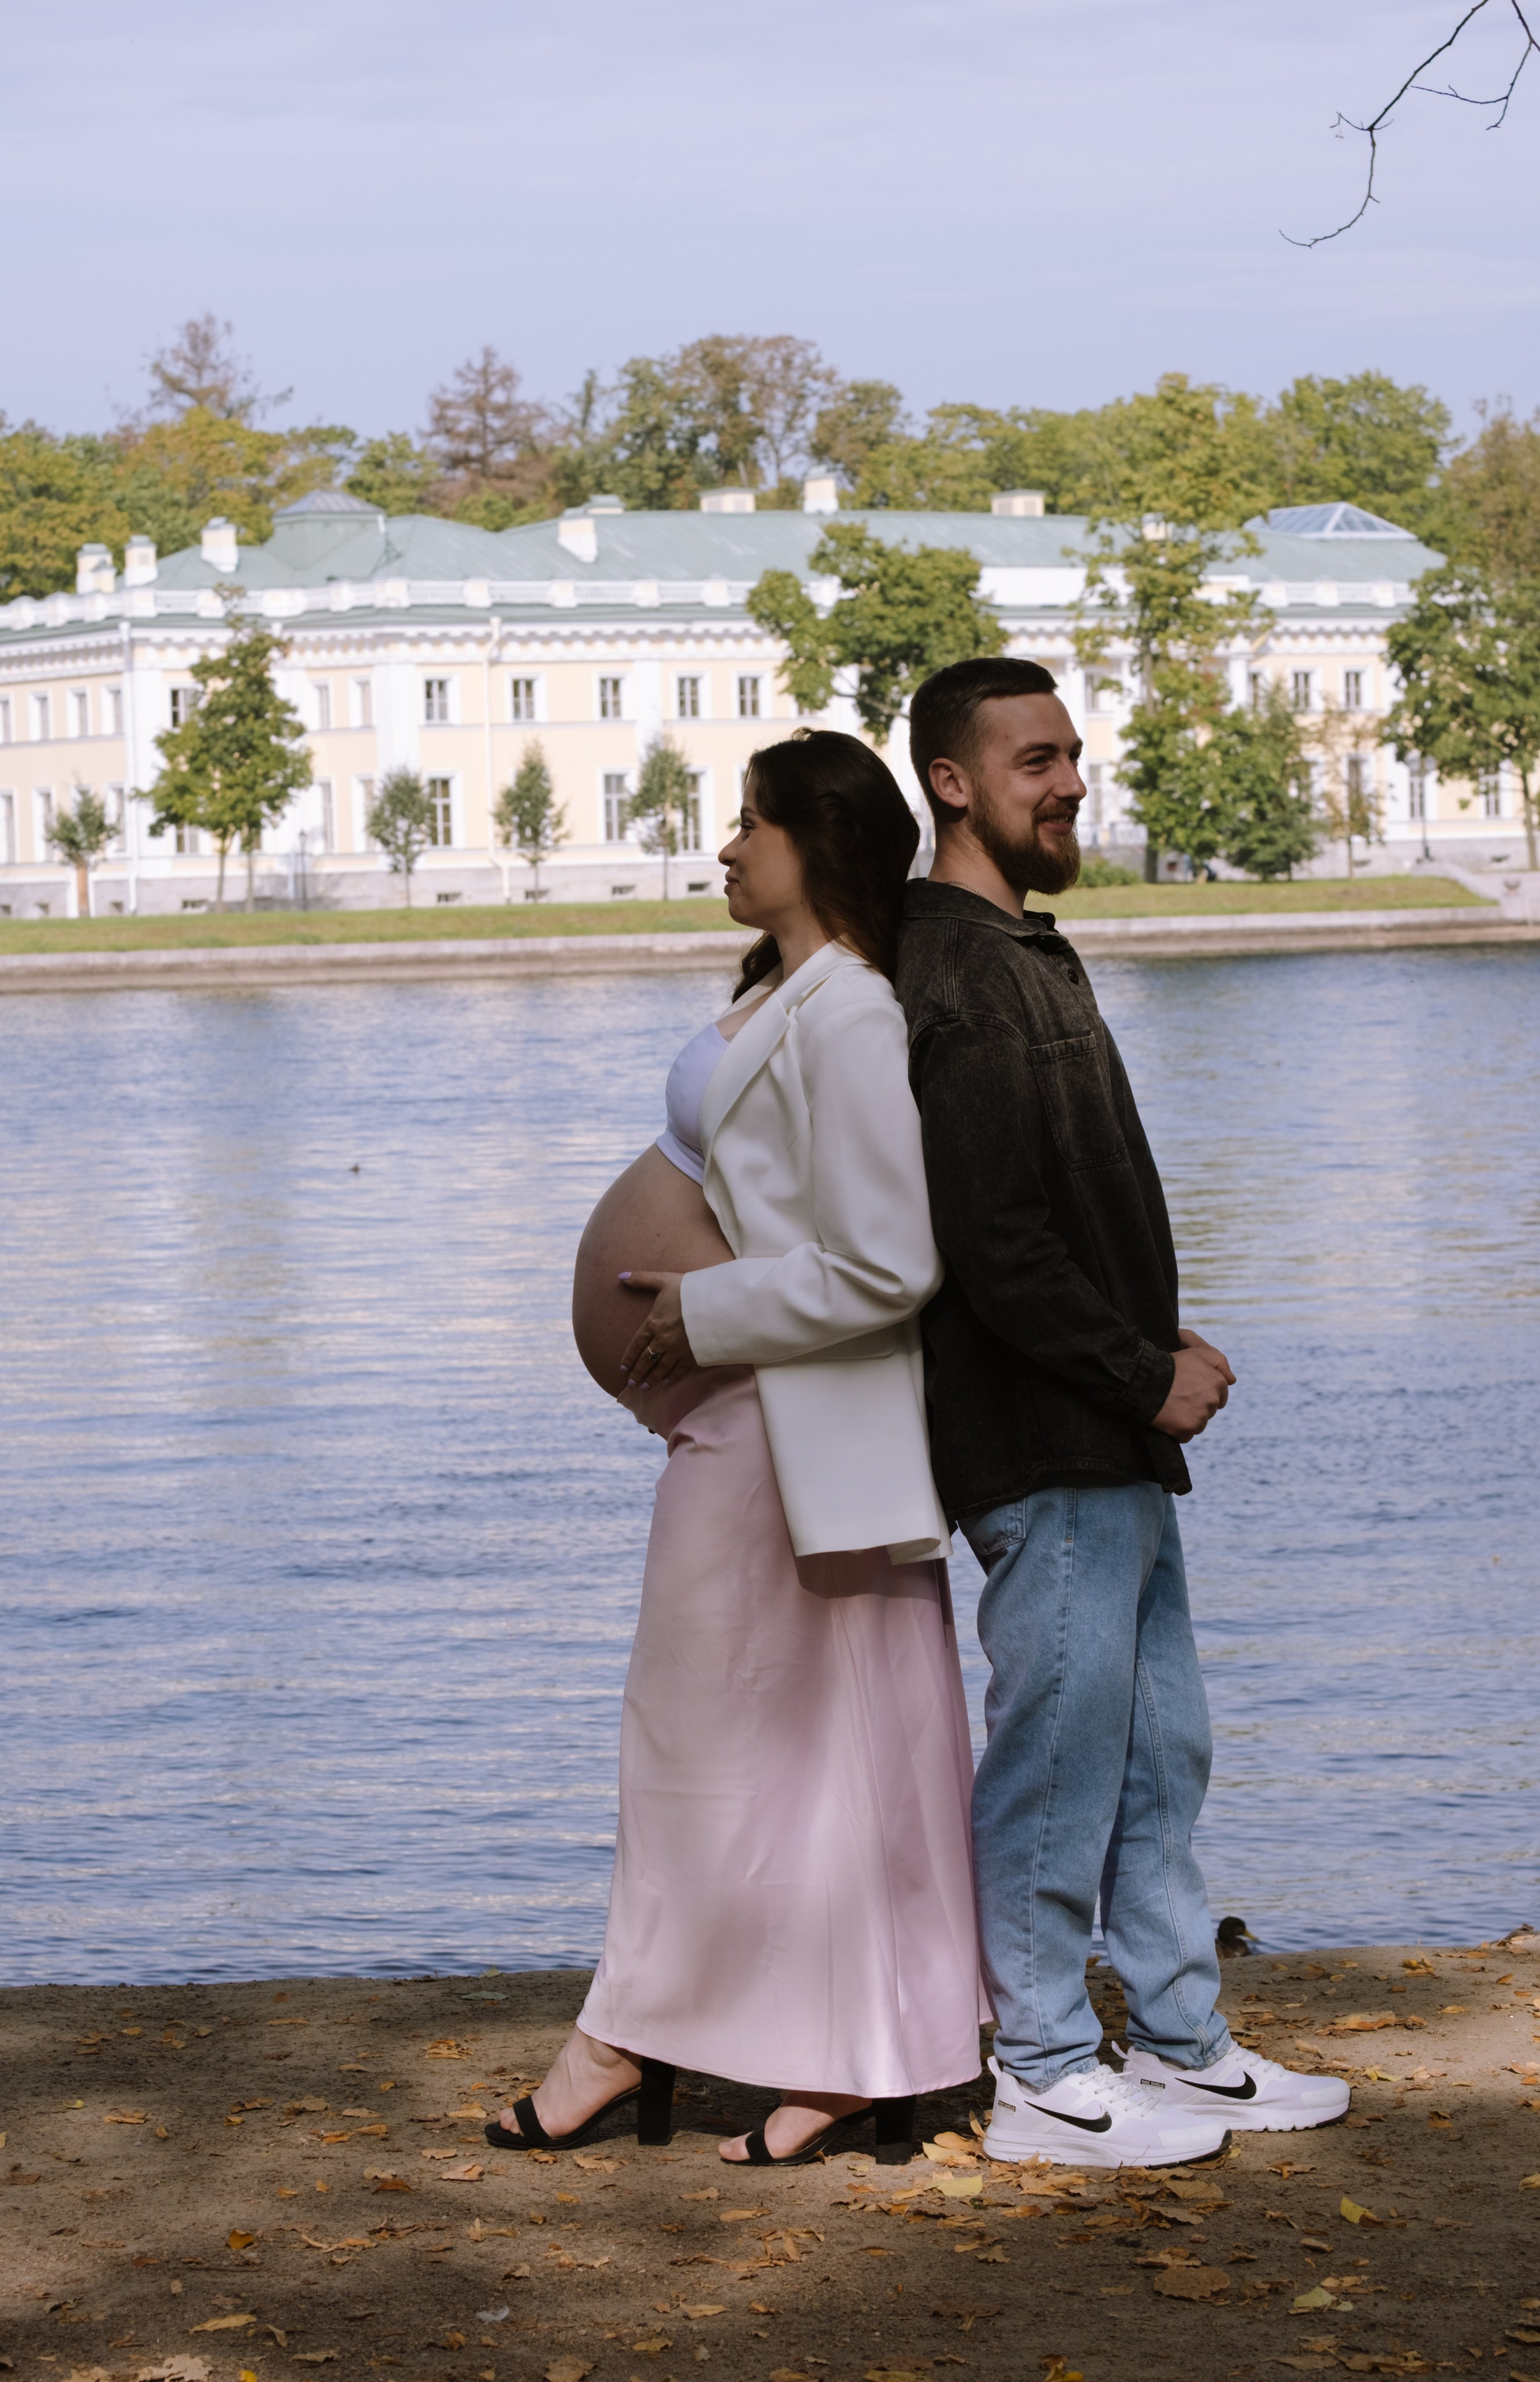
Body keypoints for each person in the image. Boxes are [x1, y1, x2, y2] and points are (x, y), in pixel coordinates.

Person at [487, 729, 984, 2170]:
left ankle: (662, 2042)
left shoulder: (849, 1018)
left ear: (812, 846)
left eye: (745, 825)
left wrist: (699, 1305)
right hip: (746, 1422)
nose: (723, 848)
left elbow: (889, 1261)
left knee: (747, 1742)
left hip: (788, 1421)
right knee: (783, 1749)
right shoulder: (787, 992)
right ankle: (803, 2051)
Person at [893, 656, 1350, 2167]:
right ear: (952, 782)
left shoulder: (1028, 952)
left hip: (1109, 1432)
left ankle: (1176, 2043)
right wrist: (1137, 1368)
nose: (1069, 782)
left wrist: (1152, 1339)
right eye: (1033, 761)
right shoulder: (950, 971)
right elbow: (991, 1240)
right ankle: (1032, 2065)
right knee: (1055, 1758)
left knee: (1159, 1757)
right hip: (1039, 1440)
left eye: (1071, 755)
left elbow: (1065, 1211)